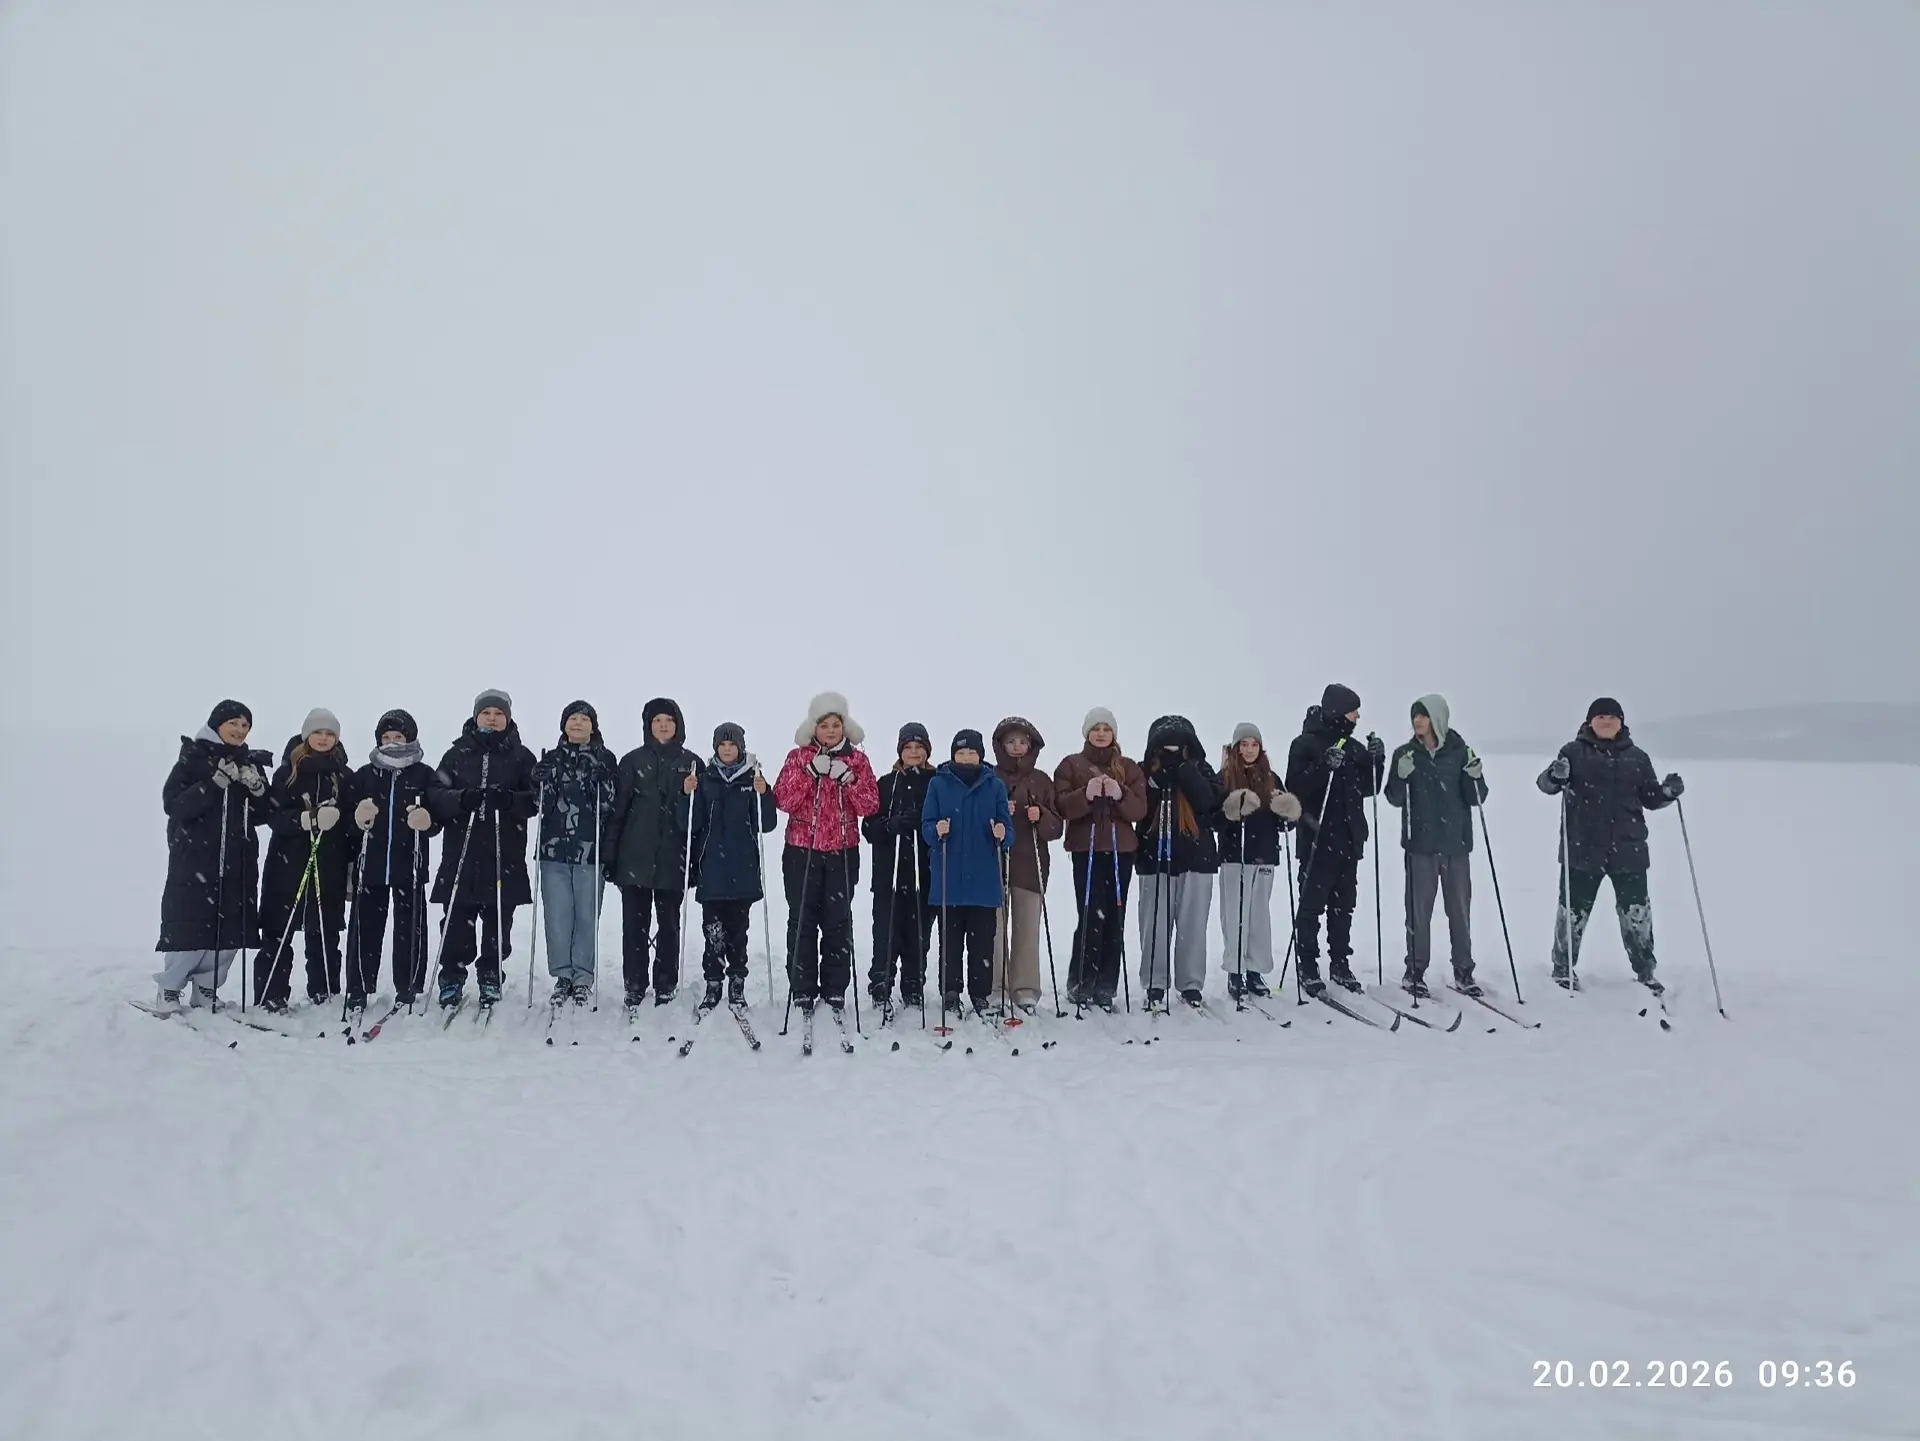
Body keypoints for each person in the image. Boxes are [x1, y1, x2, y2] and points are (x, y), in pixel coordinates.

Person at [1536, 697, 1683, 994]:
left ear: (1621, 723)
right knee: (1572, 912)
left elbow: (1650, 797)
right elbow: (1546, 785)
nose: (1606, 721)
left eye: (1612, 717)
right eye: (1600, 716)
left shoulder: (1637, 758)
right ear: (1590, 721)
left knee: (1637, 914)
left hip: (1628, 849)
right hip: (1582, 848)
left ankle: (1645, 970)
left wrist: (1667, 792)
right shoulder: (1572, 752)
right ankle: (1562, 968)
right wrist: (1554, 775)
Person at [152, 700, 273, 1014]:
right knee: (190, 928)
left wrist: (258, 789)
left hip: (238, 859)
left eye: (245, 725)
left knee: (229, 931)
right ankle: (169, 989)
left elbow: (265, 814)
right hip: (195, 858)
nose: (240, 730)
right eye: (233, 723)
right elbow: (174, 805)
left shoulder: (249, 763)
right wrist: (213, 784)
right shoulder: (193, 759)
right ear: (217, 724)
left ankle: (206, 989)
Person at [426, 690, 538, 1010]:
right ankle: (452, 975)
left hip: (504, 852)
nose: (492, 718)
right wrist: (461, 799)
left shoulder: (521, 756)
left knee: (498, 922)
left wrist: (510, 800)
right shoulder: (456, 754)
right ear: (476, 717)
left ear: (508, 719)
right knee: (456, 921)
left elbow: (535, 799)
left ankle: (491, 973)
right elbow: (436, 794)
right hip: (462, 852)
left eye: (498, 713)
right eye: (486, 713)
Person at [772, 692, 880, 1017]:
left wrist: (848, 779)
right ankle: (802, 988)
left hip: (842, 853)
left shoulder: (858, 761)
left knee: (837, 922)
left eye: (836, 724)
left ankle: (835, 989)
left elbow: (870, 805)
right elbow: (783, 799)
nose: (831, 730)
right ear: (813, 728)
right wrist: (809, 772)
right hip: (801, 852)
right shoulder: (797, 757)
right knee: (802, 921)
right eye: (824, 725)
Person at [1285, 685, 1387, 997]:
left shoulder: (1354, 748)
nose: (1357, 717)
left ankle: (1340, 963)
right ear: (1338, 712)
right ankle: (1308, 965)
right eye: (1353, 711)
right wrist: (1323, 766)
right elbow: (1295, 788)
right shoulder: (1305, 744)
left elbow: (1369, 788)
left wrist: (1377, 760)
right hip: (1317, 841)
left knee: (1344, 907)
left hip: (1348, 841)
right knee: (1311, 906)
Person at [1384, 695, 1488, 999]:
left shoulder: (1461, 752)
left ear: (1439, 718)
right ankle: (1415, 971)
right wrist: (1400, 775)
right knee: (1418, 912)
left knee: (1460, 911)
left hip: (1456, 845)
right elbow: (1393, 797)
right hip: (1420, 845)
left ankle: (1464, 971)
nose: (1418, 721)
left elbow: (1476, 797)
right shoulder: (1405, 754)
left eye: (1424, 715)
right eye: (1415, 715)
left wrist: (1475, 777)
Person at [256, 708, 357, 1011]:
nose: (323, 738)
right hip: (287, 862)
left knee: (323, 931)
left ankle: (324, 991)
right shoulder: (287, 772)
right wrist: (305, 819)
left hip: (329, 862)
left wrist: (354, 822)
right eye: (318, 732)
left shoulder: (344, 775)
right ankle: (271, 993)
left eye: (329, 734)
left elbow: (351, 822)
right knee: (279, 930)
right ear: (306, 735)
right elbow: (273, 815)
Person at [603, 697, 698, 1010]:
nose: (663, 725)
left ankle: (665, 984)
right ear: (648, 725)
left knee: (669, 925)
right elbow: (617, 811)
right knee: (635, 926)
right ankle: (634, 983)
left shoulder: (691, 763)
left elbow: (699, 819)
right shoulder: (632, 761)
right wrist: (610, 855)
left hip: (674, 858)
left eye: (668, 720)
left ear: (677, 724)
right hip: (635, 857)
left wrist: (697, 862)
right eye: (657, 720)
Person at [1052, 708, 1148, 1010]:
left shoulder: (1128, 767)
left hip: (1121, 851)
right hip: (1087, 849)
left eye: (1107, 729)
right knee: (1091, 915)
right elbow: (1061, 806)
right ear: (1087, 732)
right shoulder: (1071, 764)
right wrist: (1086, 794)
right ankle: (1081, 982)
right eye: (1096, 728)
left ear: (1114, 733)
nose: (1101, 733)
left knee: (1115, 917)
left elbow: (1139, 810)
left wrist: (1120, 794)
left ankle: (1106, 985)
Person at [346, 708, 441, 1012]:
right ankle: (359, 987)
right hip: (371, 864)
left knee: (409, 929)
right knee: (365, 928)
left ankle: (408, 985)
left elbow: (437, 819)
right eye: (386, 737)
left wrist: (427, 820)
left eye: (398, 736)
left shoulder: (424, 774)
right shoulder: (365, 774)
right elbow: (348, 821)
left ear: (409, 738)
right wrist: (357, 818)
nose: (391, 742)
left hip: (409, 864)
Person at [922, 729, 1015, 1017]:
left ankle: (980, 994)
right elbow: (926, 827)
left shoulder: (994, 786)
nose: (965, 758)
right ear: (953, 755)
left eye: (971, 752)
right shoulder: (938, 784)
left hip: (984, 881)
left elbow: (1008, 830)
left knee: (982, 943)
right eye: (960, 753)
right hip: (949, 879)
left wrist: (1002, 833)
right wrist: (936, 830)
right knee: (950, 943)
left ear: (980, 755)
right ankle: (950, 993)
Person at [532, 701, 618, 1006]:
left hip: (590, 850)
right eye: (573, 718)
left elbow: (608, 806)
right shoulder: (551, 758)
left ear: (593, 726)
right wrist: (538, 781)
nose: (578, 723)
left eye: (584, 719)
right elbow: (539, 804)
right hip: (553, 850)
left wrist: (603, 781)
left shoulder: (605, 758)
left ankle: (582, 976)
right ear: (564, 724)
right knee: (557, 916)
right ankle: (563, 976)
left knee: (586, 916)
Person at [1134, 714, 1225, 1008]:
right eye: (1165, 747)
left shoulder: (1201, 769)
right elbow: (1138, 809)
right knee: (1154, 924)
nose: (1172, 752)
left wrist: (1185, 772)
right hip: (1154, 857)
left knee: (1193, 925)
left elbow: (1211, 805)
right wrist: (1157, 780)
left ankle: (1190, 983)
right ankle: (1154, 981)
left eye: (1178, 746)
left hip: (1197, 859)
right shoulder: (1143, 771)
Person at [689, 722, 779, 1010]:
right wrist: (687, 795)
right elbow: (690, 823)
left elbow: (767, 824)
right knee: (713, 933)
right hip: (712, 870)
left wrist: (765, 794)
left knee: (738, 934)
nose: (727, 750)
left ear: (741, 748)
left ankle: (737, 982)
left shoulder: (752, 779)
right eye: (722, 745)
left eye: (732, 745)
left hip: (742, 871)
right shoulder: (705, 779)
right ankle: (713, 983)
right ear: (716, 748)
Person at [1213, 723, 1303, 999]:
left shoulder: (1271, 777)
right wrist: (1232, 810)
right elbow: (1213, 819)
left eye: (1254, 744)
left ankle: (1255, 970)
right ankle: (1235, 970)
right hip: (1234, 855)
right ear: (1235, 748)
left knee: (1259, 916)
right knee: (1235, 915)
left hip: (1264, 855)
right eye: (1244, 744)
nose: (1249, 749)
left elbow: (1286, 824)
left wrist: (1286, 811)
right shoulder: (1224, 777)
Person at [862, 722, 936, 1015]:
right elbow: (868, 827)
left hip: (923, 873)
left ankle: (913, 985)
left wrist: (925, 825)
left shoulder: (936, 783)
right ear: (900, 751)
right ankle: (881, 984)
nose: (914, 752)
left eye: (919, 747)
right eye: (908, 747)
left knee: (919, 934)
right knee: (886, 933)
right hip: (889, 874)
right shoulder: (886, 784)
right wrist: (890, 825)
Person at [991, 717, 1063, 1013]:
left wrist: (1041, 815)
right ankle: (995, 986)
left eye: (1022, 742)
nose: (1017, 747)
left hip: (1031, 863)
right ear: (1001, 745)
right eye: (1011, 741)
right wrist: (996, 813)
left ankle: (1024, 988)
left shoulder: (1042, 780)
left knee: (1027, 929)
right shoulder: (990, 777)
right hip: (994, 863)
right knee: (994, 929)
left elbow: (1056, 828)